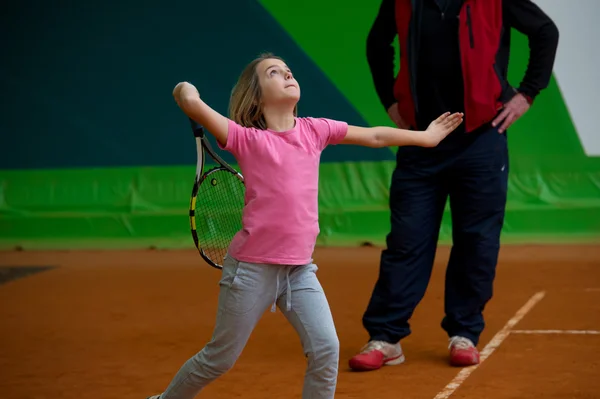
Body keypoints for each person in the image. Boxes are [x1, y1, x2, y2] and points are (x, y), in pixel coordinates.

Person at [145, 53, 463, 399]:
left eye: (288, 71)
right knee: (219, 359)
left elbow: (373, 136)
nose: (286, 74)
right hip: (252, 270)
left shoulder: (315, 130)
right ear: (256, 94)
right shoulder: (245, 139)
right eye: (273, 73)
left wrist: (427, 137)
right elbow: (189, 99)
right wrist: (184, 89)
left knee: (327, 348)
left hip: (299, 271)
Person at [349, 0, 559, 371]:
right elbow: (377, 44)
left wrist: (527, 93)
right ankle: (386, 337)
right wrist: (389, 100)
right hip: (421, 139)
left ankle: (464, 333)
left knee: (477, 240)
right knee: (407, 240)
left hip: (482, 138)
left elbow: (545, 31)